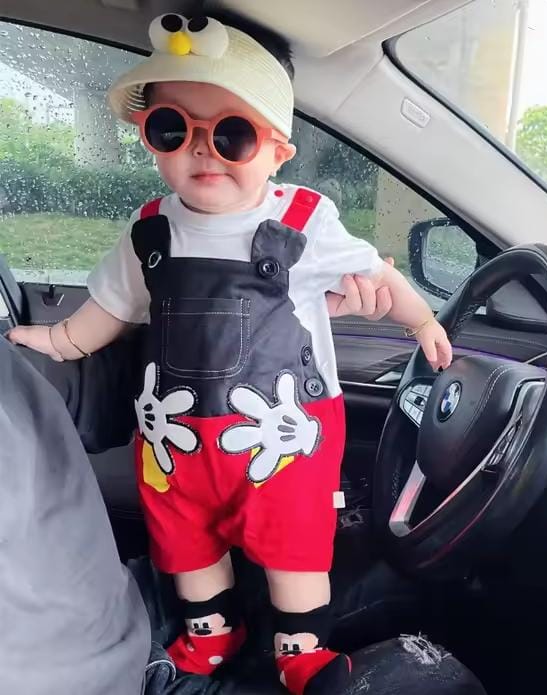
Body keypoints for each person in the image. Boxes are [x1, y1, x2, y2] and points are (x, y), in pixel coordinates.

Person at [9, 12, 453, 694]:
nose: (202, 151)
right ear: (149, 138)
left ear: (277, 150)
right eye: (171, 129)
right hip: (173, 438)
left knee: (295, 548)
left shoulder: (303, 220)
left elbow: (375, 276)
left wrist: (420, 319)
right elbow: (112, 306)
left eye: (232, 134)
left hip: (285, 437)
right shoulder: (149, 230)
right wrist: (58, 340)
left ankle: (300, 648)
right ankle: (211, 632)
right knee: (185, 542)